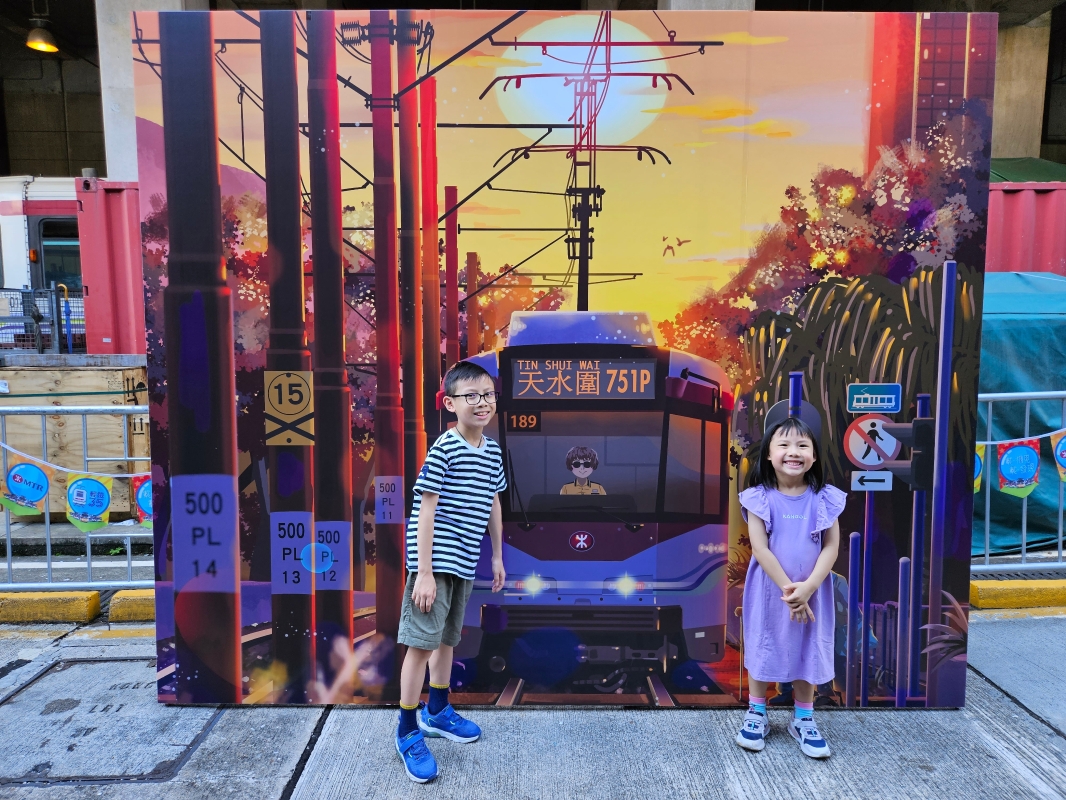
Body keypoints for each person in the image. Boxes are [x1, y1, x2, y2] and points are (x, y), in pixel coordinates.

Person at [395, 361, 507, 783]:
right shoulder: (445, 446)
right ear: (450, 404)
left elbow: (494, 501)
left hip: (464, 561)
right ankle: (407, 730)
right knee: (420, 645)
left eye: (488, 394)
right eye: (471, 396)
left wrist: (496, 556)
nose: (482, 403)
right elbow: (425, 509)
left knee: (447, 640)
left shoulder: (491, 451)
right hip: (436, 562)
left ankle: (438, 710)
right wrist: (423, 571)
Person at [734, 416, 846, 759]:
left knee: (808, 646)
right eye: (783, 444)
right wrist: (790, 591)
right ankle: (757, 712)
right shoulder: (758, 498)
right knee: (763, 642)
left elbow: (831, 547)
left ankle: (804, 718)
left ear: (814, 456)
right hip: (769, 592)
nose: (793, 452)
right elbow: (760, 548)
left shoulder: (824, 499)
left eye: (802, 445)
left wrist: (808, 588)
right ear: (769, 455)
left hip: (814, 593)